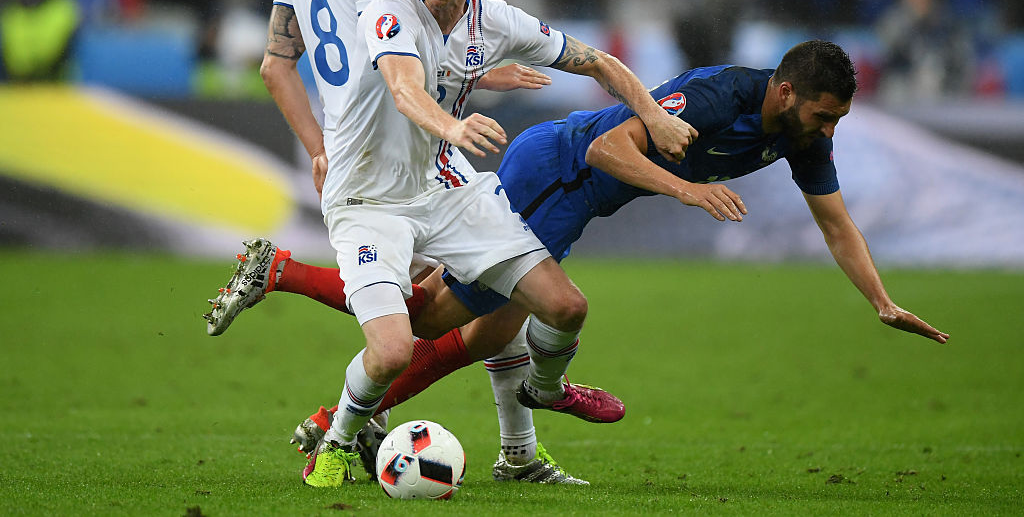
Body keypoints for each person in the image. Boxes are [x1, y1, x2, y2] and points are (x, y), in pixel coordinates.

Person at [210, 39, 949, 470]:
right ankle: (296, 302)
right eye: (824, 113)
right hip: (557, 170)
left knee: (483, 330)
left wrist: (880, 299)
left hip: (576, 196)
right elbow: (607, 145)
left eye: (837, 119)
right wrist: (688, 191)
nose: (829, 129)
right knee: (439, 319)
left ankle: (333, 383)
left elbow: (838, 225)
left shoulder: (802, 136)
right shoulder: (721, 95)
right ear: (788, 92)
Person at [222, 0, 698, 489]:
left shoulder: (493, 20)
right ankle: (339, 439)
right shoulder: (388, 10)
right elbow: (403, 86)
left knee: (564, 307)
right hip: (370, 199)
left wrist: (653, 113)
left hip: (444, 191)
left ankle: (541, 400)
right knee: (398, 346)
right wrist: (454, 125)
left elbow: (597, 61)